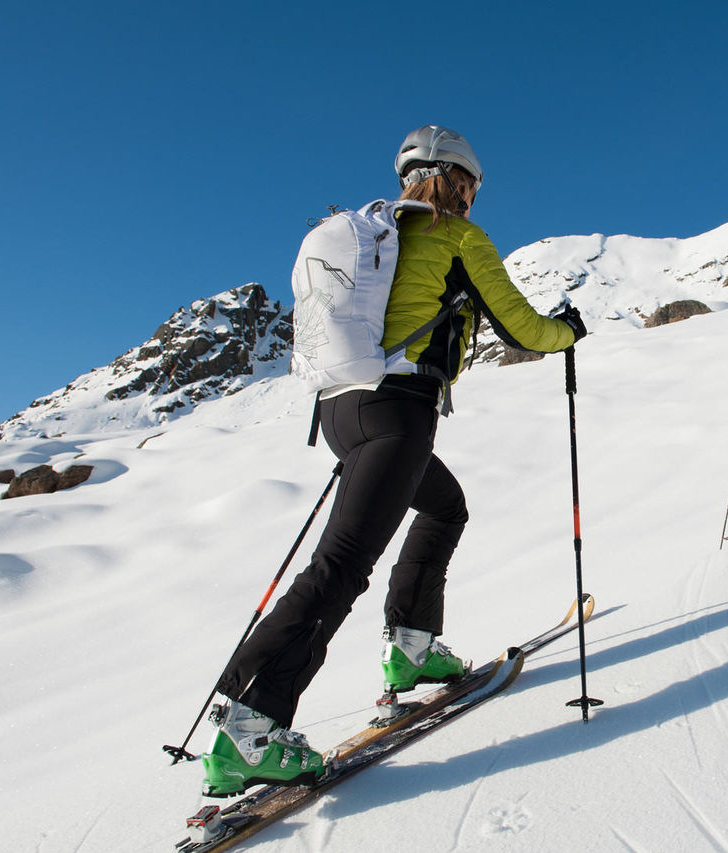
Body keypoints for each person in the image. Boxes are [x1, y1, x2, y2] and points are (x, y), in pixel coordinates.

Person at [199, 126, 586, 797]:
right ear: (452, 179)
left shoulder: (374, 236)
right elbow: (521, 327)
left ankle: (412, 646)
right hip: (398, 412)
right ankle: (250, 727)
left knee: (444, 504)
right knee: (339, 566)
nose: (473, 198)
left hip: (342, 411)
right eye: (471, 185)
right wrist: (570, 331)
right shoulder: (457, 237)